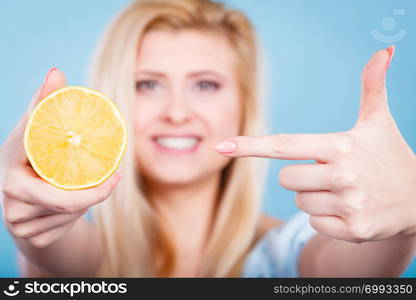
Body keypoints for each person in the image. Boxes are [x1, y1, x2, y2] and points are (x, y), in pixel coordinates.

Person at [0, 0, 415, 277]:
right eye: (147, 85)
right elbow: (57, 255)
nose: (177, 112)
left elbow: (357, 267)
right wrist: (29, 214)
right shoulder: (85, 252)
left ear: (243, 104)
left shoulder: (289, 252)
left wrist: (406, 220)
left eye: (205, 86)